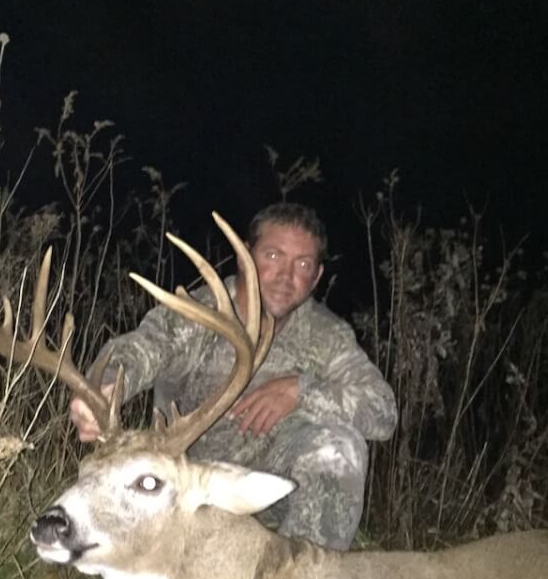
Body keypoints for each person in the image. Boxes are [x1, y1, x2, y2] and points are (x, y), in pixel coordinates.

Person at [71, 203, 397, 549]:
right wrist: (104, 390)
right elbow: (142, 348)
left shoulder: (326, 336)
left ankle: (301, 573)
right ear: (244, 256)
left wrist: (300, 391)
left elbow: (383, 412)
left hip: (274, 500)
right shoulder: (199, 312)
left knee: (339, 448)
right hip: (189, 490)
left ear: (316, 277)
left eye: (303, 265)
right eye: (273, 256)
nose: (286, 276)